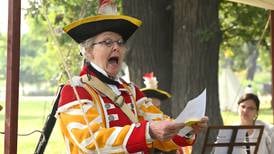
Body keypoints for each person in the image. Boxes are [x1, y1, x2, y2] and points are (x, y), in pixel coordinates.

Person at [56, 0, 208, 153]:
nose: (116, 47)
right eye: (107, 42)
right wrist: (148, 132)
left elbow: (161, 126)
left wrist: (186, 127)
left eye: (120, 43)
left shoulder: (131, 91)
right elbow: (89, 141)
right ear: (88, 51)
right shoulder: (75, 91)